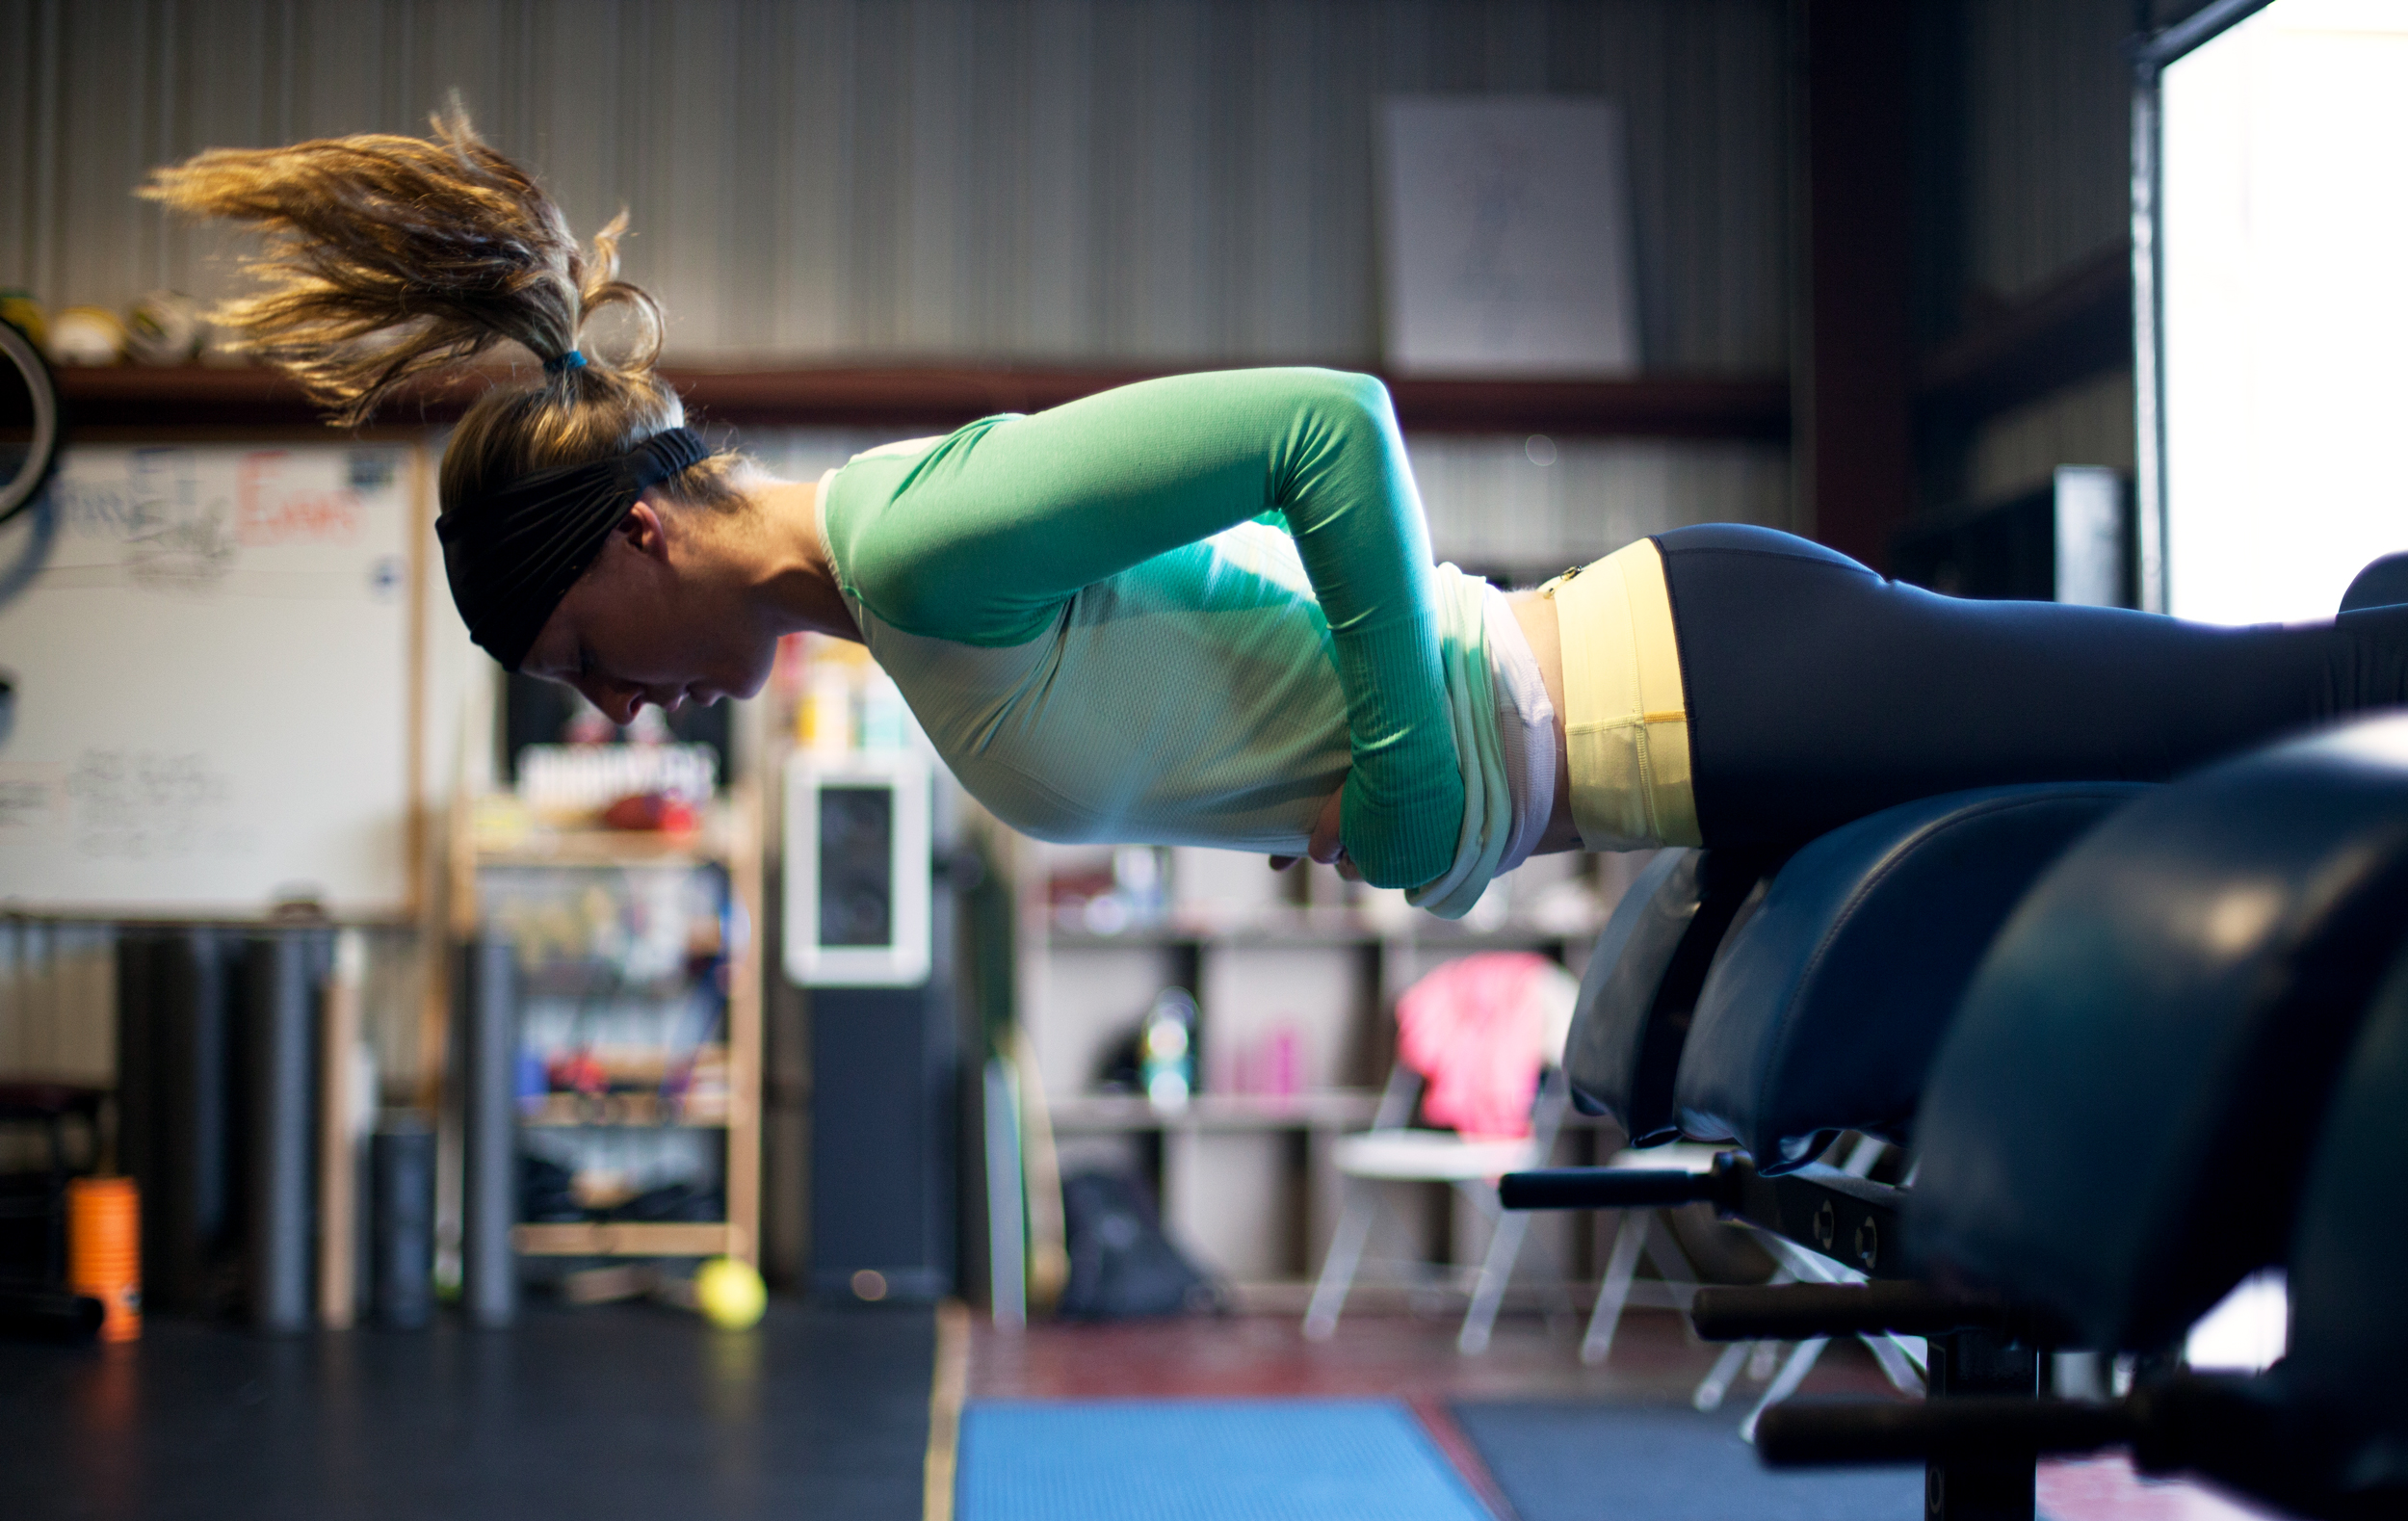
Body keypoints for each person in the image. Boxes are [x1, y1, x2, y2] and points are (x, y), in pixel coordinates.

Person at [144, 115, 2408, 918]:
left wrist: (1407, 767)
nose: (618, 713)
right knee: (2242, 739)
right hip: (1666, 725)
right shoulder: (901, 613)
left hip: (1686, 676)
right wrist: (1345, 784)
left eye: (582, 664)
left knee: (2285, 704)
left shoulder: (911, 541)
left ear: (634, 542)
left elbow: (1329, 426)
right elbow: (1241, 629)